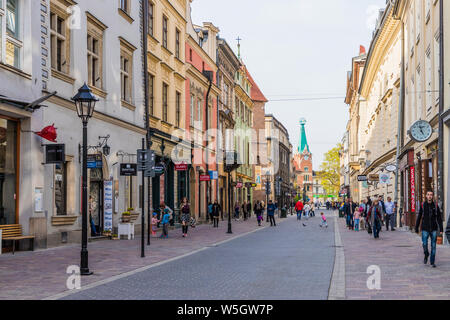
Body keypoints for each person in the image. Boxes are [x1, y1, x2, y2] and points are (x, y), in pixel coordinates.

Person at [415, 191, 443, 268]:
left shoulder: (435, 205)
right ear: (426, 196)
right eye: (428, 195)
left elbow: (439, 218)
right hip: (425, 228)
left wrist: (441, 228)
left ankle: (432, 262)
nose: (430, 196)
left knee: (433, 246)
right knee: (424, 244)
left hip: (434, 228)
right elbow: (419, 216)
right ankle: (426, 254)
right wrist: (416, 227)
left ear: (432, 196)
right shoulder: (423, 205)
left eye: (431, 195)